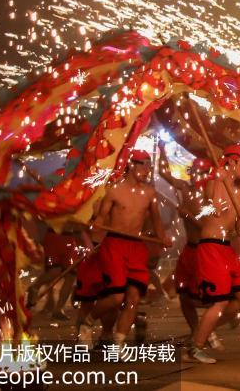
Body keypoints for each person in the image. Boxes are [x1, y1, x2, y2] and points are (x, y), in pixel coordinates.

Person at [74, 149, 173, 349]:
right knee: (115, 296)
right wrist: (93, 231)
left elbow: (156, 221)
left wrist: (163, 237)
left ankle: (118, 344)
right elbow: (101, 219)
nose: (147, 169)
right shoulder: (115, 191)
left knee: (134, 298)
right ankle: (87, 323)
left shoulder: (150, 193)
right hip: (114, 245)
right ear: (131, 165)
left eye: (149, 164)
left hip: (136, 247)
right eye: (142, 164)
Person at [187, 144, 240, 364]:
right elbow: (206, 209)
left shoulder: (237, 191)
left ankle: (203, 331)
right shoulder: (216, 180)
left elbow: (236, 227)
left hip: (227, 249)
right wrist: (221, 173)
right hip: (211, 247)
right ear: (233, 161)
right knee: (220, 301)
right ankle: (195, 347)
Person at [157, 151, 225, 351]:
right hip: (189, 250)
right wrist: (161, 149)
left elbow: (208, 225)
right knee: (184, 296)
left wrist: (187, 215)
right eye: (194, 171)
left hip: (205, 250)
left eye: (200, 172)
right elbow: (164, 173)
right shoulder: (185, 187)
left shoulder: (210, 194)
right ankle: (197, 331)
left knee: (208, 297)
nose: (196, 175)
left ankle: (208, 329)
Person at [27, 222, 90, 320]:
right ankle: (35, 286)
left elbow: (79, 222)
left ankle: (58, 309)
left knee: (71, 276)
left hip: (69, 239)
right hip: (53, 237)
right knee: (54, 272)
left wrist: (85, 238)